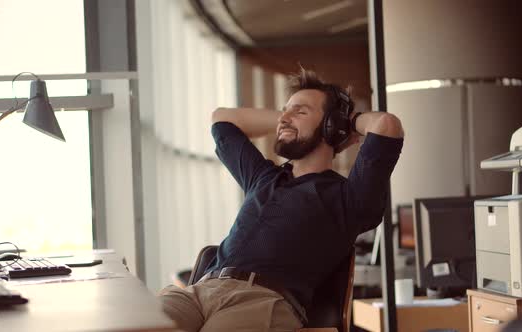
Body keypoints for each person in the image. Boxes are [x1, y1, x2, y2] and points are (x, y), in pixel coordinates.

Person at [158, 68, 404, 332]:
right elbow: (222, 120)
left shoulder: (349, 198)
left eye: (300, 111)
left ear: (332, 125)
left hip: (260, 301)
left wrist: (343, 122)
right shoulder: (262, 176)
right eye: (284, 111)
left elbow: (386, 126)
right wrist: (289, 118)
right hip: (197, 292)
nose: (284, 119)